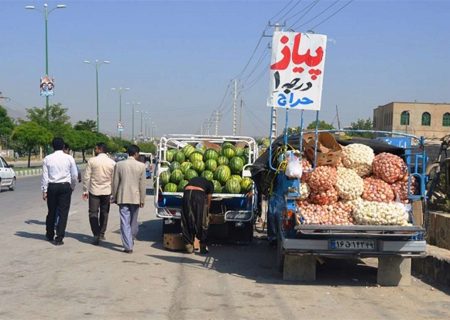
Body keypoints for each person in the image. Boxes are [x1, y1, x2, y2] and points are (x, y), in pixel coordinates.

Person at [41, 137, 78, 246]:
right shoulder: (69, 158)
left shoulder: (47, 158)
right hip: (64, 187)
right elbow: (75, 175)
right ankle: (59, 238)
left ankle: (49, 234)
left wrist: (44, 190)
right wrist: (72, 186)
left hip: (52, 187)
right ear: (63, 146)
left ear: (52, 146)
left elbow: (45, 177)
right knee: (63, 213)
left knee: (51, 211)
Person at [111, 145, 146, 253]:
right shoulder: (141, 166)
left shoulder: (119, 165)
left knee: (124, 221)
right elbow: (142, 184)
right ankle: (130, 239)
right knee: (133, 221)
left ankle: (128, 246)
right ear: (136, 154)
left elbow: (115, 183)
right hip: (135, 197)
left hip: (123, 196)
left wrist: (114, 195)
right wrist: (142, 199)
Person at [82, 142, 116, 245]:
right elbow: (114, 179)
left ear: (100, 149)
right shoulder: (112, 163)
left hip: (94, 191)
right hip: (107, 191)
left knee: (93, 212)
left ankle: (96, 234)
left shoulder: (92, 161)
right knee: (104, 212)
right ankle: (101, 233)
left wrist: (85, 190)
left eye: (96, 148)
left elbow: (87, 177)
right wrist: (113, 193)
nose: (95, 150)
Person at [181, 176, 214, 254]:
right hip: (198, 195)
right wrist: (207, 209)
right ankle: (202, 246)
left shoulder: (192, 180)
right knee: (201, 221)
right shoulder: (210, 184)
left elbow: (185, 188)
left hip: (186, 193)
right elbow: (209, 197)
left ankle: (188, 245)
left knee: (187, 218)